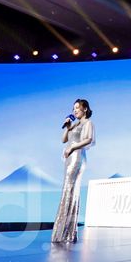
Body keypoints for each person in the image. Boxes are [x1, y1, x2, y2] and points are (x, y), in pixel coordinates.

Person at [51, 98, 94, 243]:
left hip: (77, 158)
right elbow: (64, 140)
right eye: (73, 108)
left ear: (85, 109)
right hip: (69, 158)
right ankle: (65, 232)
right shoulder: (75, 124)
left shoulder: (88, 123)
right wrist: (68, 127)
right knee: (67, 190)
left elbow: (89, 139)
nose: (74, 111)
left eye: (77, 108)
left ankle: (65, 232)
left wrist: (73, 147)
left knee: (70, 190)